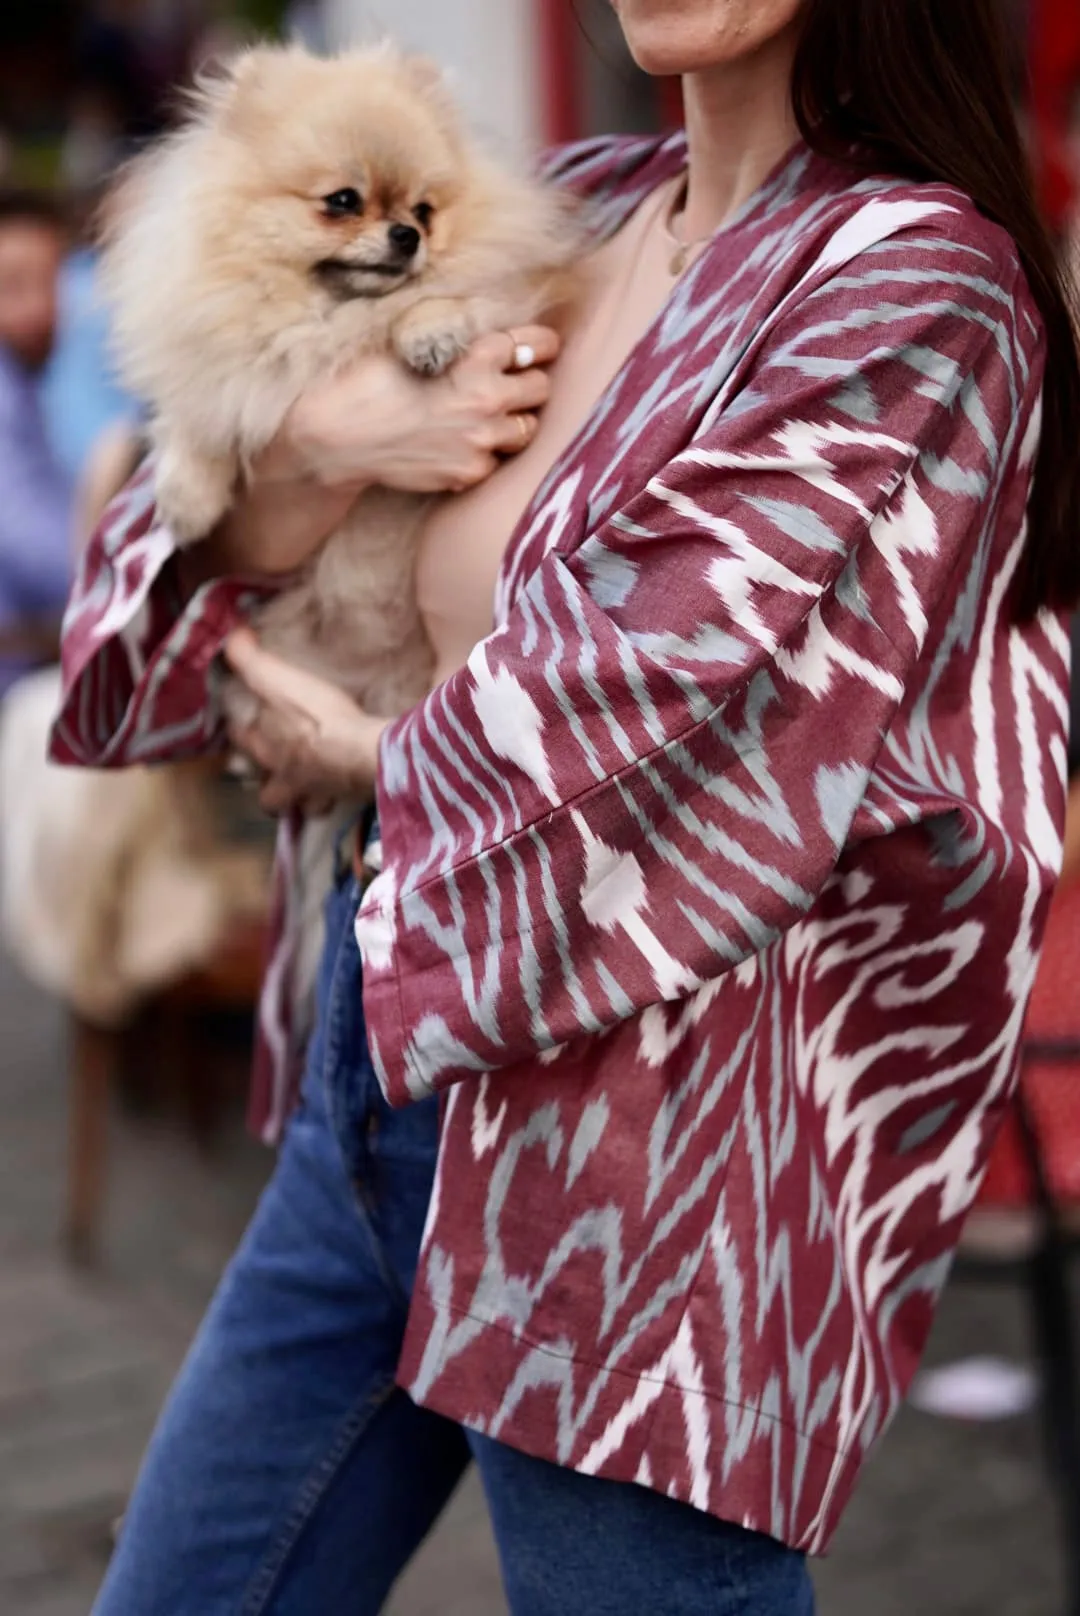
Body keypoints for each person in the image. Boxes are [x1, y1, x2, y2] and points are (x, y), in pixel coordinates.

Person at [51, 1, 1080, 1611]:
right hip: (381, 1086)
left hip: (648, 1165)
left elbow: (687, 715)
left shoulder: (911, 284)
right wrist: (317, 445)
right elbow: (144, 583)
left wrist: (369, 758)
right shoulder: (579, 204)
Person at [0, 192, 75, 690]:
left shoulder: (23, 383)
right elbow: (29, 538)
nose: (41, 307)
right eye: (12, 286)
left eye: (51, 283)